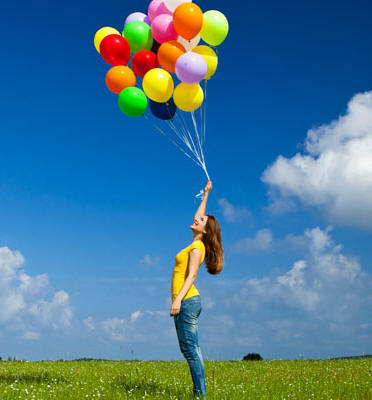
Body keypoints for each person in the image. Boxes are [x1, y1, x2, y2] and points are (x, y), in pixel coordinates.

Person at [170, 180, 224, 399]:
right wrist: (206, 195)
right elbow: (199, 216)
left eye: (201, 221)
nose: (196, 219)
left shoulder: (196, 248)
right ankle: (199, 393)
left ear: (204, 230)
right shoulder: (195, 242)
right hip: (188, 301)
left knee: (191, 350)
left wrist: (177, 300)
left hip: (187, 301)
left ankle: (200, 395)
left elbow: (191, 276)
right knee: (189, 349)